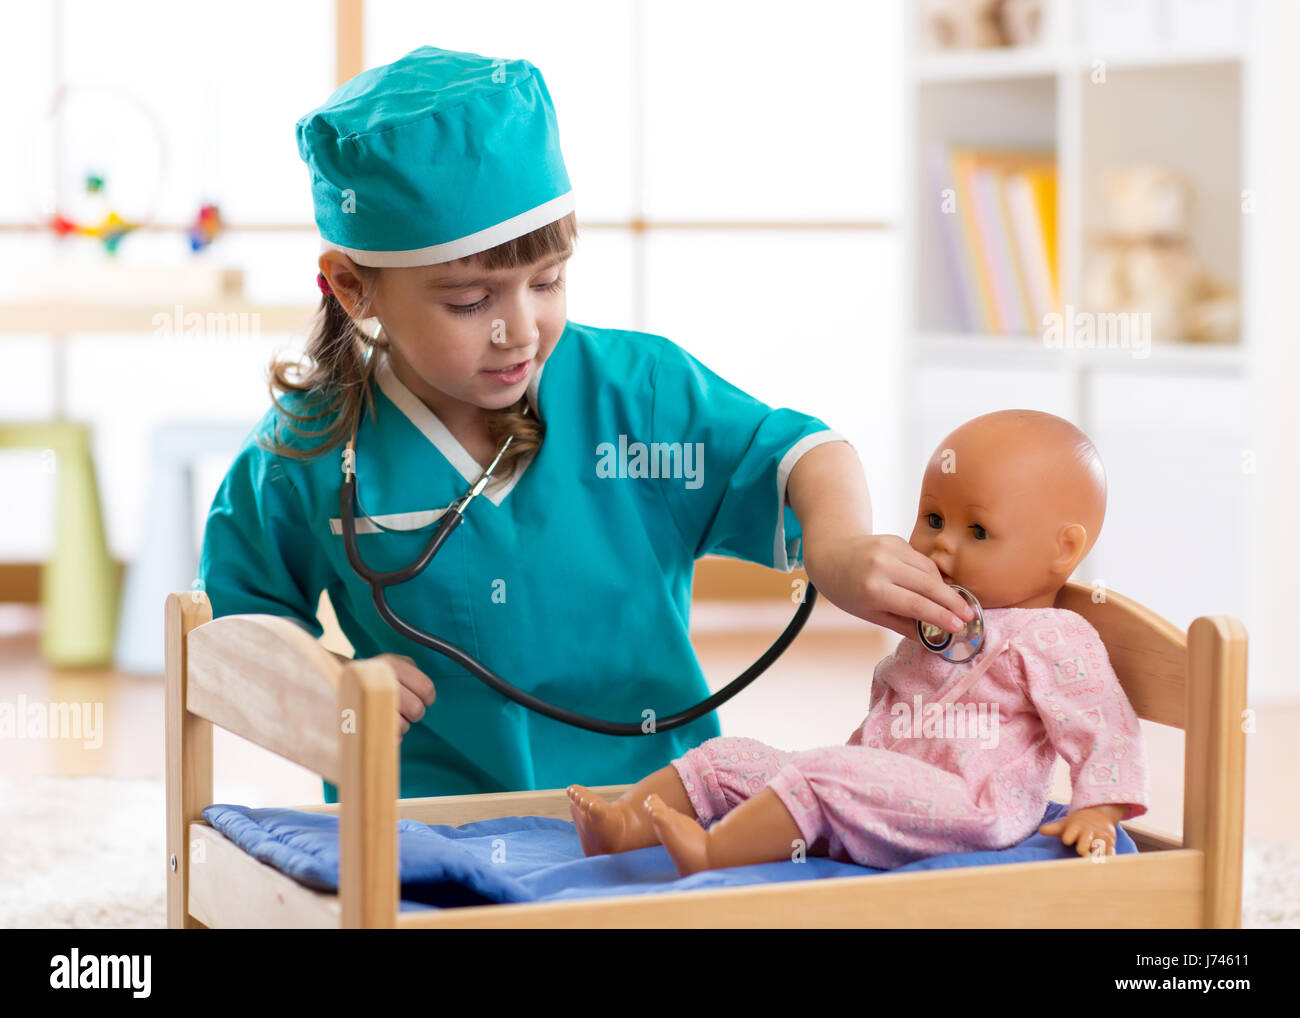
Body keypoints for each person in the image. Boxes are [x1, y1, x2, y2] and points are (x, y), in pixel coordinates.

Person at [197, 45, 973, 805]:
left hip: (654, 807)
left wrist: (835, 547)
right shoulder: (307, 447)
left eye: (548, 281)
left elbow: (802, 453)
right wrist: (326, 679)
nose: (521, 330)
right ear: (352, 288)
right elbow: (236, 619)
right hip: (422, 818)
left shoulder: (639, 396)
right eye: (470, 301)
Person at [567, 411, 1149, 875]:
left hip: (968, 805)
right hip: (883, 779)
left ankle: (714, 856)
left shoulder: (1055, 636)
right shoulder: (939, 614)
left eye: (977, 531)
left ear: (1063, 551)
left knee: (821, 776)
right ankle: (624, 823)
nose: (941, 547)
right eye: (932, 518)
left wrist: (1097, 810)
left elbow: (1103, 725)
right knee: (731, 758)